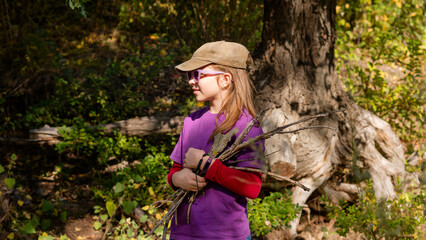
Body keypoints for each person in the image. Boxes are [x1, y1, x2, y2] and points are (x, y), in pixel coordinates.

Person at [167, 41, 264, 240]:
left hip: (226, 235)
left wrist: (207, 165)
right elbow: (175, 170)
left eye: (198, 75)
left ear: (225, 80)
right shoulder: (191, 121)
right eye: (189, 75)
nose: (191, 81)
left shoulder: (249, 128)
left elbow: (253, 187)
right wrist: (176, 179)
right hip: (183, 233)